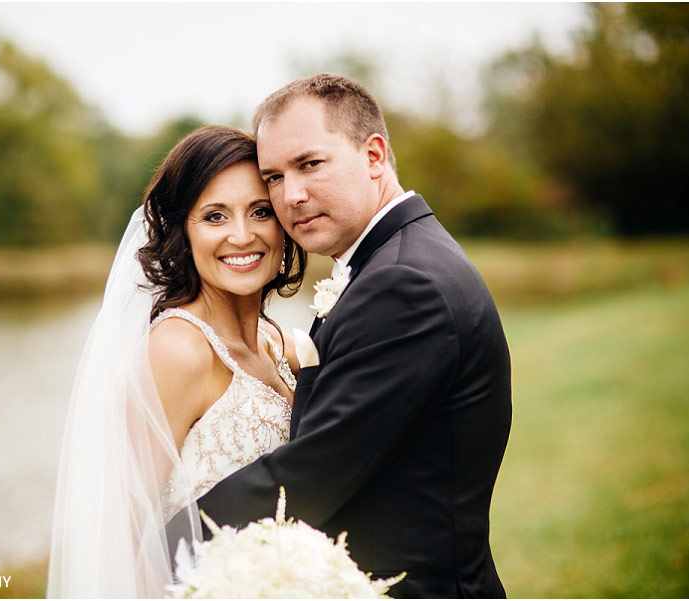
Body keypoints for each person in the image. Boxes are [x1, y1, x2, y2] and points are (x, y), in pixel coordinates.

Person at [197, 74, 513, 598]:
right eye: (273, 177)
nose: (291, 195)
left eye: (309, 164)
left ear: (374, 156)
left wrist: (166, 540)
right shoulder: (395, 260)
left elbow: (314, 472)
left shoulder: (404, 283)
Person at [47, 126, 307, 598]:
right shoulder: (179, 350)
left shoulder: (277, 344)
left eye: (260, 211)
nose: (242, 235)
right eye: (214, 216)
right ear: (182, 231)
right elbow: (121, 531)